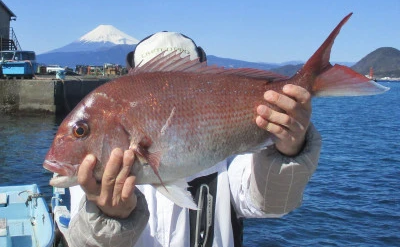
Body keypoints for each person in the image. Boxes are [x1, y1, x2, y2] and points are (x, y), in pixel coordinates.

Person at [65, 32, 321, 247]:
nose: (166, 103)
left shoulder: (230, 156)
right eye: (153, 85)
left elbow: (271, 203)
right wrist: (108, 218)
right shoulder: (91, 175)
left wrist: (289, 148)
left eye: (179, 86)